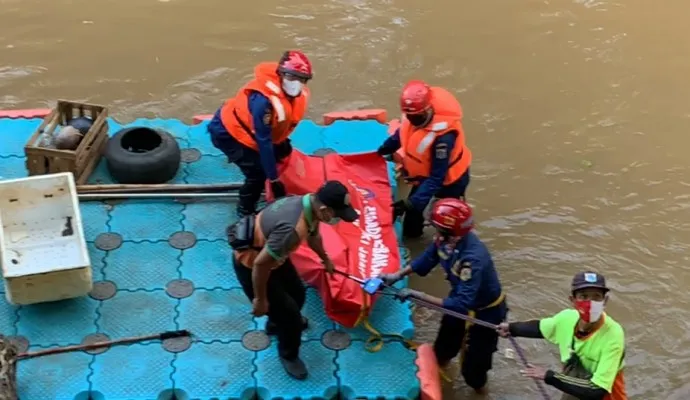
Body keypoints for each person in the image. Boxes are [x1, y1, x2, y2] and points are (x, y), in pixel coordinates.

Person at [230, 180, 358, 380]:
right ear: (325, 210)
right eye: (338, 215)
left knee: (298, 293)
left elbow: (314, 236)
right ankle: (288, 354)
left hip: (276, 257)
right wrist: (260, 299)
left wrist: (326, 260)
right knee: (289, 316)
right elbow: (261, 265)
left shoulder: (307, 204)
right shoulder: (292, 230)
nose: (338, 219)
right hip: (252, 263)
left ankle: (275, 324)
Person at [379, 198, 505, 394]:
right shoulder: (445, 241)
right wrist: (398, 275)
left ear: (450, 232)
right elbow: (429, 257)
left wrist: (419, 295)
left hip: (484, 314)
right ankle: (438, 376)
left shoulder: (473, 259)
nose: (434, 230)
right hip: (458, 300)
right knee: (443, 348)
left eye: (438, 228)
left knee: (474, 372)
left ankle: (480, 393)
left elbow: (462, 304)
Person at [208, 50, 313, 217]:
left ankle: (278, 179)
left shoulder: (294, 95)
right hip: (229, 133)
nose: (296, 83)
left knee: (284, 150)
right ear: (281, 75)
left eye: (301, 79)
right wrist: (272, 178)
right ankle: (245, 208)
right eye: (291, 77)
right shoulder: (263, 102)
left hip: (260, 132)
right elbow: (263, 141)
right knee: (257, 174)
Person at [497, 272, 627, 400]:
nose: (590, 303)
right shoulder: (566, 318)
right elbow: (540, 328)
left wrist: (549, 376)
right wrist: (512, 328)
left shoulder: (613, 335)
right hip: (572, 385)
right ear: (572, 300)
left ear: (605, 301)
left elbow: (596, 389)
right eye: (583, 296)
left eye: (596, 297)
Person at [377, 80, 472, 238]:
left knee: (449, 223)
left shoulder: (444, 138)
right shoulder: (413, 118)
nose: (414, 120)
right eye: (410, 116)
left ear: (428, 109)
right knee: (411, 223)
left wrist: (410, 203)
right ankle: (414, 238)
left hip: (450, 180)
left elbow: (437, 178)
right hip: (424, 175)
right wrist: (382, 151)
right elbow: (401, 135)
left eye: (418, 116)